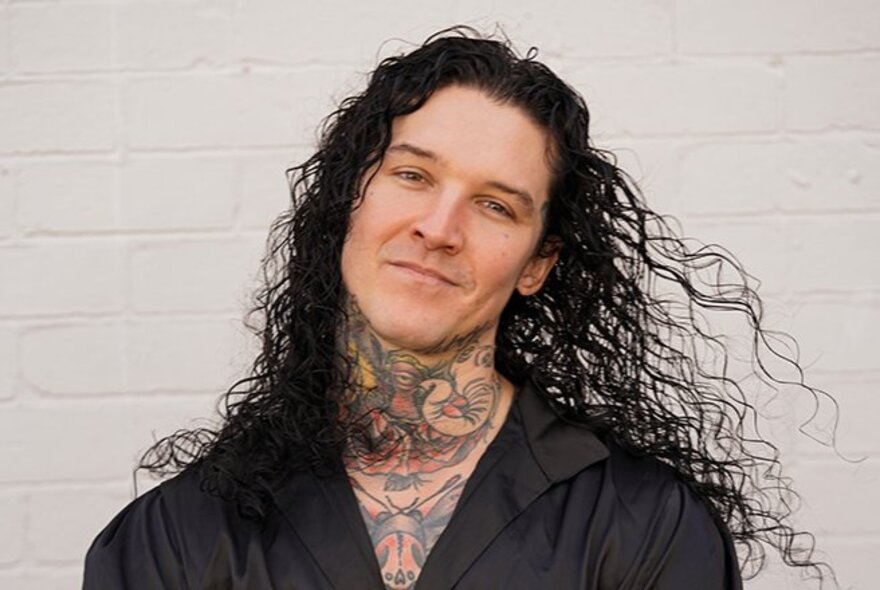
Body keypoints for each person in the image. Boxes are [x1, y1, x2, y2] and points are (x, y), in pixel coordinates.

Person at [83, 28, 837, 589]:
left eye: (495, 206)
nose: (439, 230)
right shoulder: (178, 535)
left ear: (538, 262)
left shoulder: (645, 525)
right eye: (413, 175)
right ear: (350, 197)